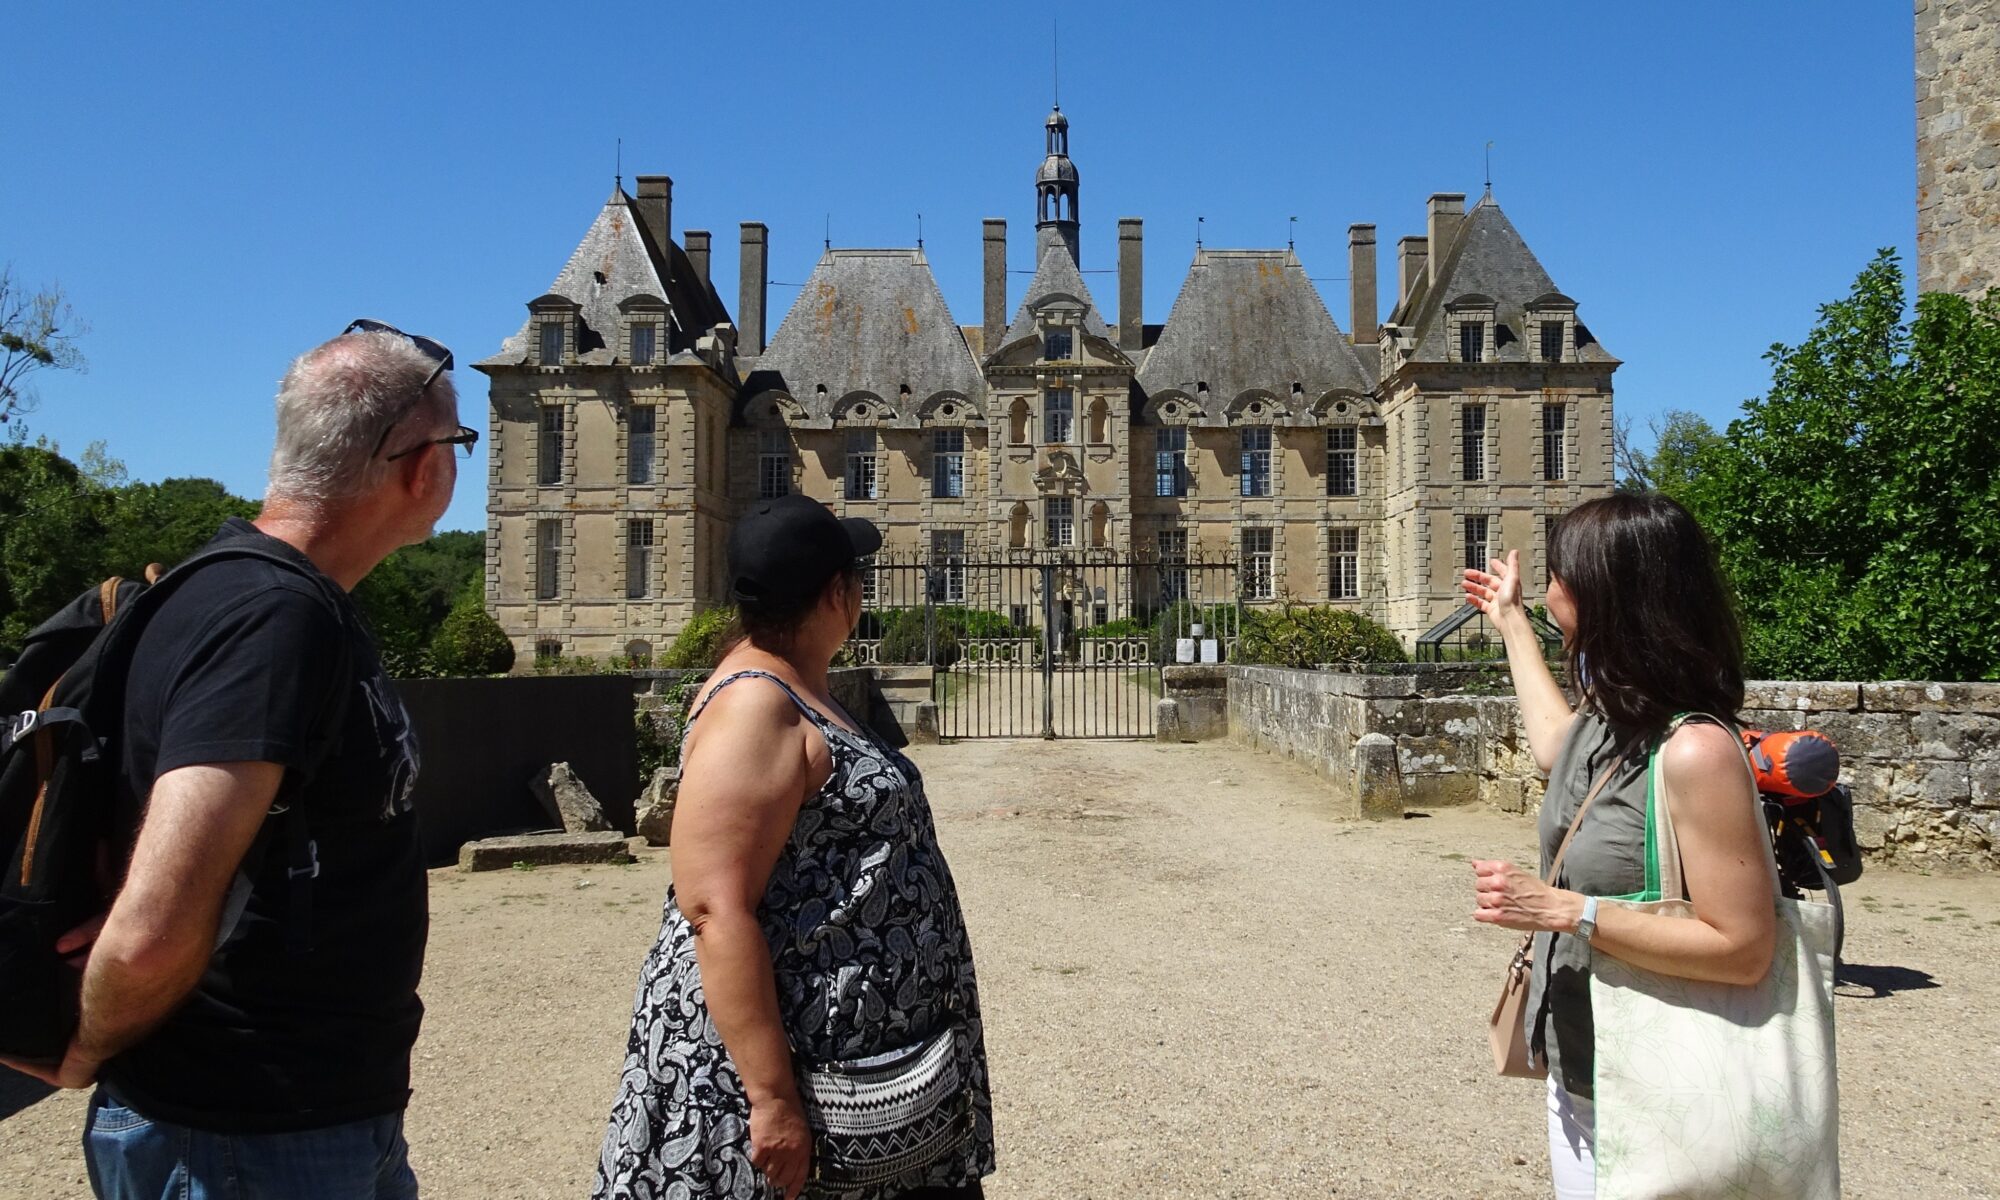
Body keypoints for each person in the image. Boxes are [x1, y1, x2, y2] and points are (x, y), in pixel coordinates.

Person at [1, 321, 475, 1198]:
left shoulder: (257, 597)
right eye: (461, 442)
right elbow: (157, 917)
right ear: (424, 466)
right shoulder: (271, 619)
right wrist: (86, 1048)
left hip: (303, 1125)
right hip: (243, 1138)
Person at [595, 494, 994, 1200]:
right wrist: (773, 1099)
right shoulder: (756, 704)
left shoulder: (796, 686)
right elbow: (714, 906)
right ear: (837, 593)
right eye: (858, 577)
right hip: (792, 1078)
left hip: (856, 1067)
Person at [1461, 493, 1777, 1200]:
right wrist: (1510, 621)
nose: (1549, 590)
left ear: (1611, 595)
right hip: (1587, 1063)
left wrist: (1567, 910)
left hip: (1662, 1077)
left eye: (1559, 576)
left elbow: (1746, 947)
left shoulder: (1696, 751)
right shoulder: (1614, 720)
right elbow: (1553, 744)